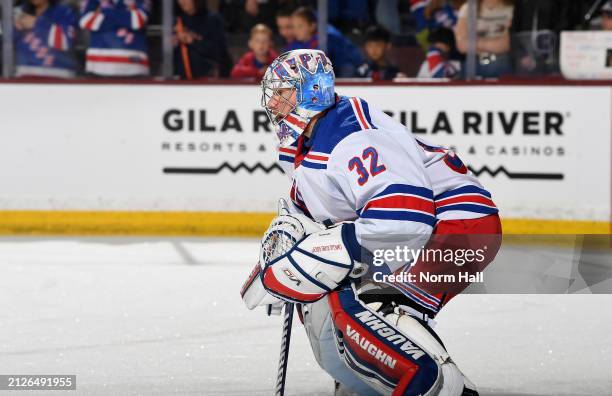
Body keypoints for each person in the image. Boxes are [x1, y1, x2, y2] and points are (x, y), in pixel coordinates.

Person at [240, 49, 502, 395]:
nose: (273, 103)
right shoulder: (301, 144)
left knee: (375, 302)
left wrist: (317, 256)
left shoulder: (355, 136)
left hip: (461, 227)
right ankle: (368, 383)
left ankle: (440, 387)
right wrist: (285, 260)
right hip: (424, 229)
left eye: (282, 92)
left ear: (311, 91)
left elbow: (405, 222)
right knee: (326, 298)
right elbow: (315, 219)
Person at [79, 0, 152, 77]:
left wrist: (104, 12)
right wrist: (126, 17)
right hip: (98, 66)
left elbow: (137, 20)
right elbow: (85, 21)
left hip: (134, 67)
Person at [288, 6, 364, 77]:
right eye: (293, 26)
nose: (295, 31)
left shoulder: (327, 40)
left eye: (300, 26)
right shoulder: (293, 46)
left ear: (312, 26)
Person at [14, 0, 78, 78]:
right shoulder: (19, 12)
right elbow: (7, 47)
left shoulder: (64, 12)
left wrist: (37, 23)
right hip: (24, 74)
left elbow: (65, 42)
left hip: (59, 74)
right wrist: (14, 29)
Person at [454, 0, 514, 78]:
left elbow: (505, 45)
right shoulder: (469, 7)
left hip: (502, 63)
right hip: (472, 63)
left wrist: (474, 42)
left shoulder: (512, 9)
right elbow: (462, 45)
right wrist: (493, 43)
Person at [174, 0, 232, 79]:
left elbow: (218, 51)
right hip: (182, 80)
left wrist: (192, 41)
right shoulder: (178, 21)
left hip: (209, 80)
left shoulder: (212, 19)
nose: (182, 2)